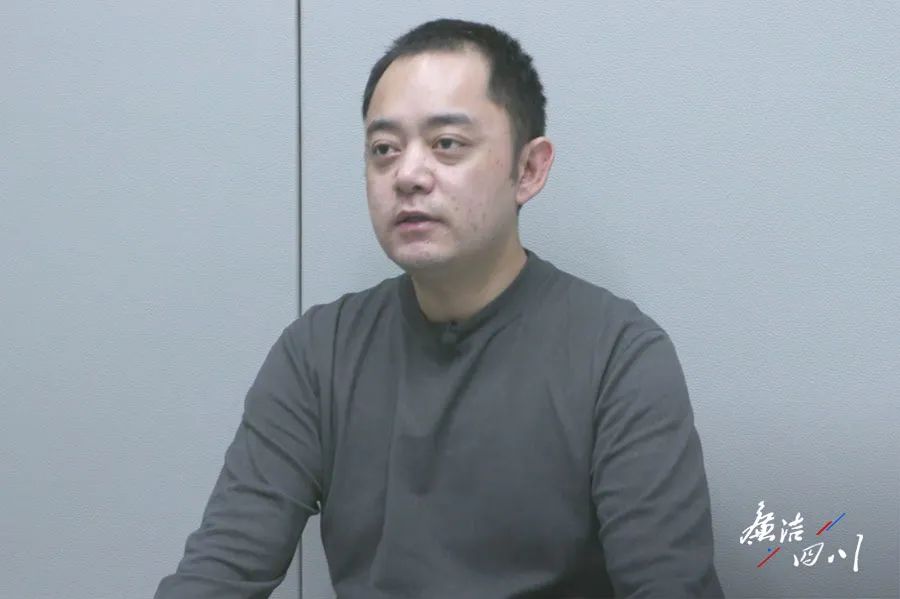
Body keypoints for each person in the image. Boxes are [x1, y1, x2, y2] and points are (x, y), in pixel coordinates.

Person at [155, 18, 724, 599]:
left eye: (447, 144)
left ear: (529, 170)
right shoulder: (318, 354)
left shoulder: (618, 356)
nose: (407, 175)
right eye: (384, 150)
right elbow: (217, 573)